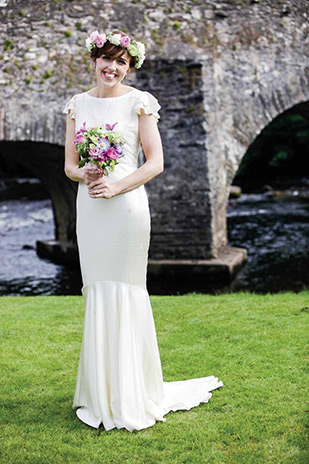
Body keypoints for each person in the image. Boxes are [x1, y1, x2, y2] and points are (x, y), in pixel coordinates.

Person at [63, 29, 223, 432]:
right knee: (97, 288)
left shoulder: (140, 103)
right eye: (107, 59)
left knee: (127, 289)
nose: (113, 67)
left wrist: (115, 184)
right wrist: (87, 173)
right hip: (91, 207)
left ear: (129, 65)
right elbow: (68, 166)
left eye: (121, 61)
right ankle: (100, 393)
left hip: (127, 206)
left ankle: (134, 393)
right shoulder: (77, 105)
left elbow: (155, 163)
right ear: (94, 60)